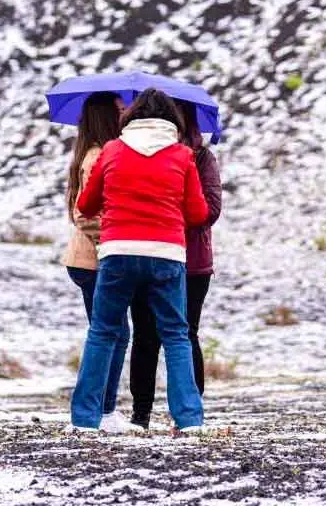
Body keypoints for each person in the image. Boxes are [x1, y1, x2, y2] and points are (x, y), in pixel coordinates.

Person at [71, 88, 209, 432]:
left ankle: (85, 420)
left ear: (130, 118)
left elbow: (86, 205)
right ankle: (189, 420)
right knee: (176, 334)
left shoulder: (113, 150)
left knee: (102, 332)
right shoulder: (182, 156)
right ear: (170, 121)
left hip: (117, 251)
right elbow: (197, 212)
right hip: (166, 255)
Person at [129, 99, 222, 430]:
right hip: (152, 253)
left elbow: (210, 209)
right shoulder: (141, 154)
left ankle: (190, 412)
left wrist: (167, 211)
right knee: (145, 336)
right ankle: (140, 414)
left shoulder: (202, 158)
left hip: (192, 262)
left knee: (186, 334)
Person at [62, 92, 139, 433]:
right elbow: (86, 215)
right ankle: (103, 411)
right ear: (106, 116)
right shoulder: (96, 156)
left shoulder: (92, 153)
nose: (124, 115)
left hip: (89, 258)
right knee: (112, 333)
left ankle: (105, 410)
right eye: (120, 110)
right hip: (93, 260)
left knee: (114, 332)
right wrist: (114, 241)